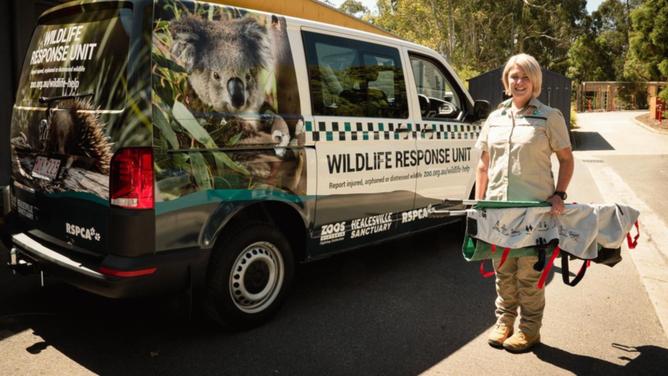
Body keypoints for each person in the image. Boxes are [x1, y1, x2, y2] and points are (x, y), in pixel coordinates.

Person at [474, 53, 574, 353]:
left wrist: (559, 195)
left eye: (525, 77)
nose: (519, 82)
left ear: (535, 83)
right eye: (514, 77)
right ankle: (504, 323)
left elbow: (567, 160)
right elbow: (483, 165)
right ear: (506, 81)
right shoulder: (495, 117)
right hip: (498, 212)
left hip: (534, 214)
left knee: (530, 276)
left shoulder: (549, 116)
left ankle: (529, 331)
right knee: (504, 271)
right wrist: (480, 206)